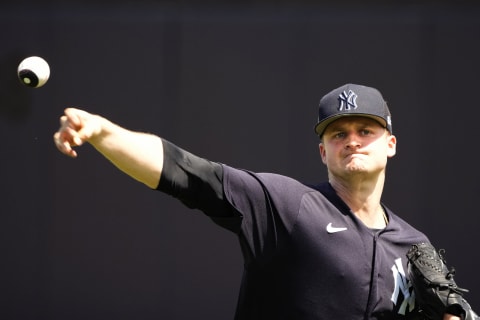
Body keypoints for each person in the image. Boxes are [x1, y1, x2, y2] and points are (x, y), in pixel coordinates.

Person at [53, 83, 462, 320]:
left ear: (390, 144)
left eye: (365, 129)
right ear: (323, 152)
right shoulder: (290, 207)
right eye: (337, 133)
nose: (351, 139)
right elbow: (190, 174)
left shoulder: (413, 247)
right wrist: (104, 133)